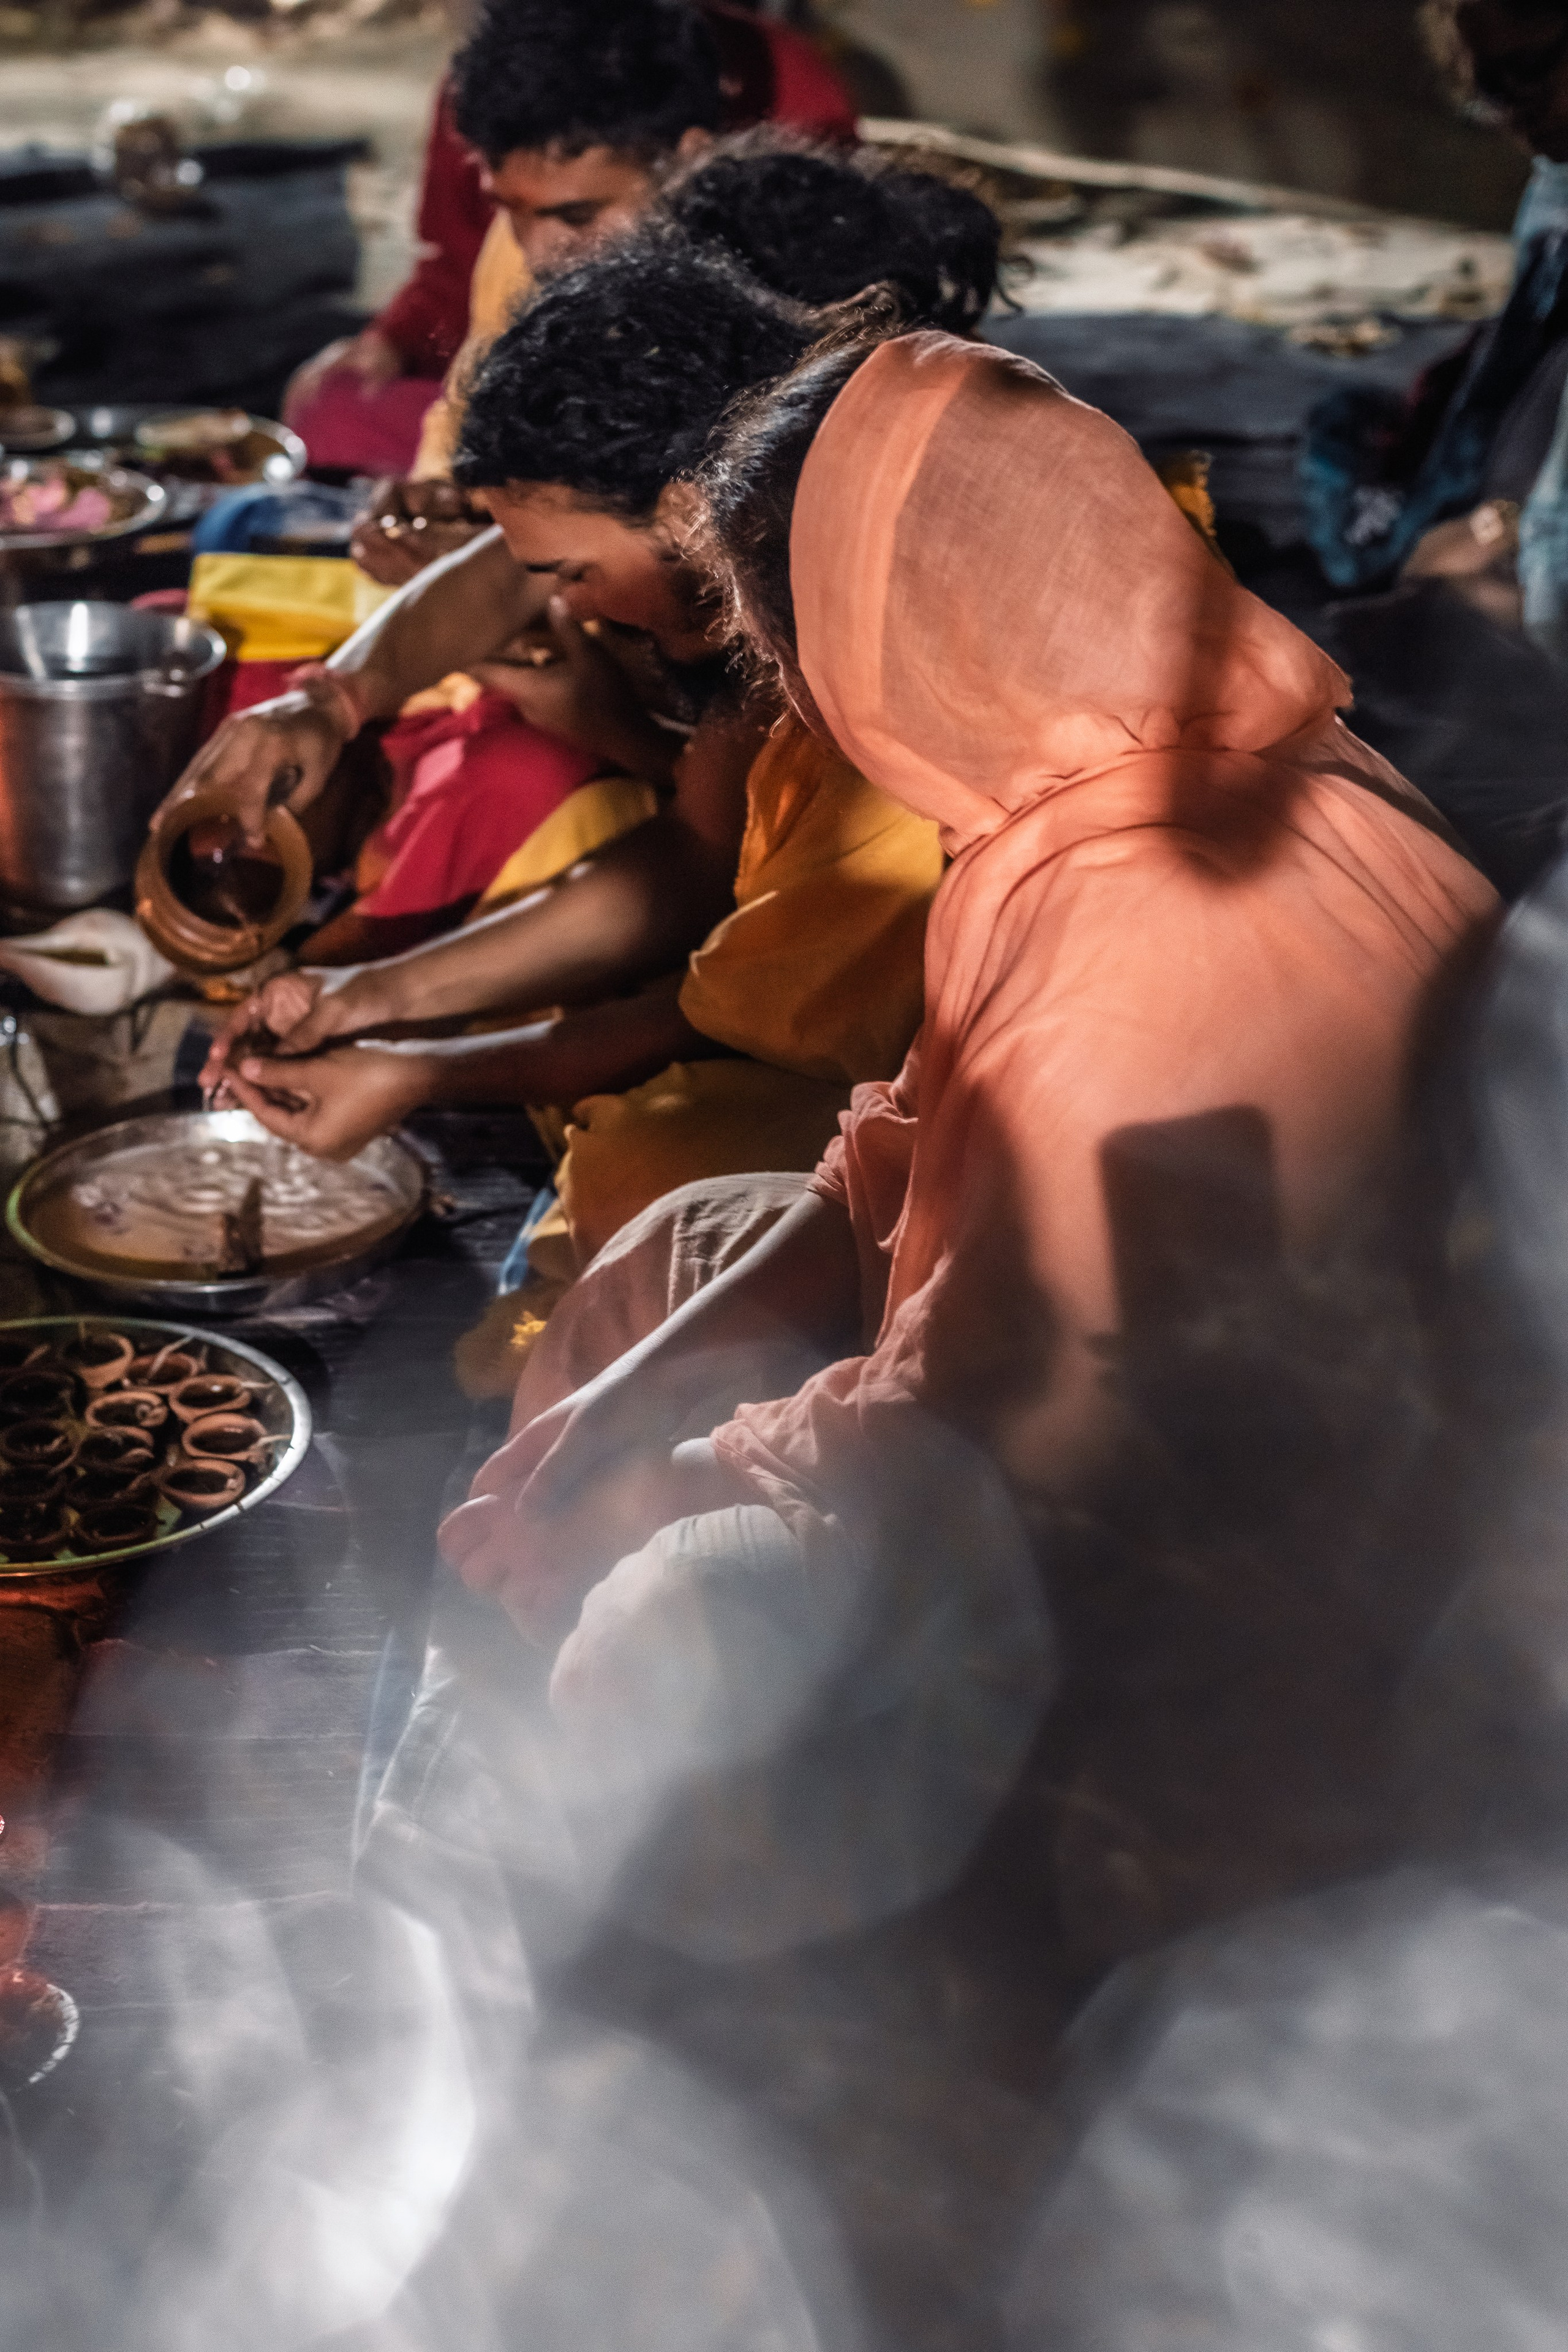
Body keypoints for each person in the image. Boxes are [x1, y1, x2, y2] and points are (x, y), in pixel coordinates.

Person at [416, 330, 1499, 1964]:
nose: (791, 695)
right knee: (693, 1239)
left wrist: (663, 1488)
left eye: (794, 648)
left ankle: (747, 2027)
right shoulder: (1134, 769)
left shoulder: (1152, 942)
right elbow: (895, 1157)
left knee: (686, 1614)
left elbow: (980, 1443)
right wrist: (627, 1402)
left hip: (1275, 1626)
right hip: (1102, 1418)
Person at [209, 247, 946, 1321]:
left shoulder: (858, 653)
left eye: (571, 576)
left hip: (1004, 1080)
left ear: (692, 517)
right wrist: (370, 1000)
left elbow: (704, 1013)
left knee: (650, 1170)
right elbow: (690, 864)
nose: (573, 608)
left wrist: (417, 1068)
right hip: (804, 994)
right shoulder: (771, 535)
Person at [162, 141, 1000, 960]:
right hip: (640, 763)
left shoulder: (823, 581)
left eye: (573, 573)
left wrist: (606, 724)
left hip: (814, 959)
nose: (564, 595)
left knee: (516, 783)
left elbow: (711, 865)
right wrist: (327, 703)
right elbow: (502, 576)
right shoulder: (707, 492)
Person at [300, 0, 856, 526]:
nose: (538, 255)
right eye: (507, 207)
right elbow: (466, 382)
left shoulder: (773, 227)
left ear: (692, 159)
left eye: (579, 215)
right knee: (332, 409)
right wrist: (442, 505)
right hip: (556, 487)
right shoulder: (508, 201)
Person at [1300, 0, 1568, 896]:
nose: (1516, 118)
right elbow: (1515, 378)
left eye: (1529, 73)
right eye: (1488, 95)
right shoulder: (1555, 186)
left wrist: (1492, 567)